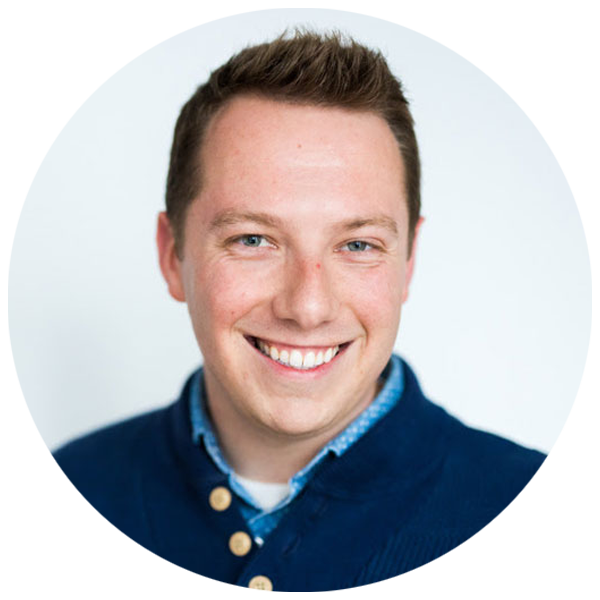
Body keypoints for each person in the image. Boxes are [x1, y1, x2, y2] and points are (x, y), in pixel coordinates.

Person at [9, 30, 589, 592]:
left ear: (408, 262)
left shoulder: (562, 530)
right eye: (254, 240)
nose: (307, 307)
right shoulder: (36, 516)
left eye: (357, 245)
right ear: (171, 254)